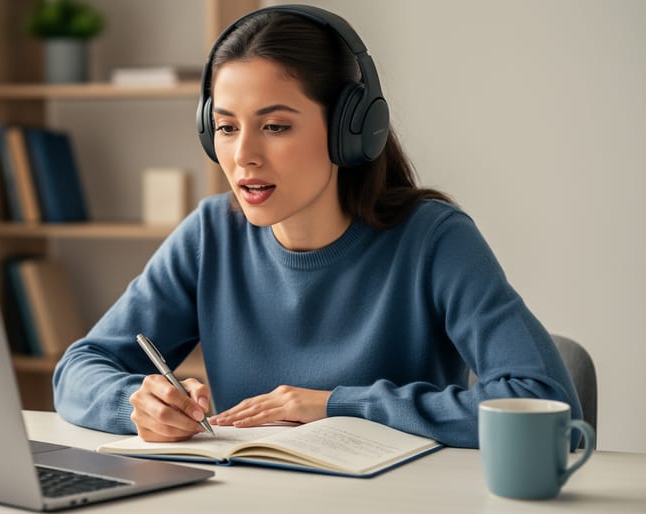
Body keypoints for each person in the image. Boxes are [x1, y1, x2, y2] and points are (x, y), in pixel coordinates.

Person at [52, 5, 581, 448]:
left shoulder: (433, 239)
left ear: (352, 130)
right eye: (227, 128)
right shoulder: (210, 234)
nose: (243, 156)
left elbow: (548, 407)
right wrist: (138, 406)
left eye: (276, 126)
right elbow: (79, 368)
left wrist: (336, 404)